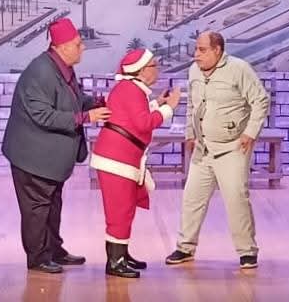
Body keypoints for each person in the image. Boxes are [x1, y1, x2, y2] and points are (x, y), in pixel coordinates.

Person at [2, 17, 112, 274]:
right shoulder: (40, 72)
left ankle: (53, 249)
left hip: (49, 159)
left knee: (52, 205)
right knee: (37, 209)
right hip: (32, 157)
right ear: (61, 46)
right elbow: (43, 115)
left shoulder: (63, 67)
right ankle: (38, 257)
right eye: (78, 44)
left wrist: (94, 103)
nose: (83, 48)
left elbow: (72, 98)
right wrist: (85, 117)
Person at [164, 31, 270, 270]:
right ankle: (185, 247)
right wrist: (190, 133)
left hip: (232, 147)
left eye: (202, 50)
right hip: (203, 149)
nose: (196, 55)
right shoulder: (194, 71)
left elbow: (260, 100)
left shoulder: (239, 69)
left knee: (236, 200)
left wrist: (250, 132)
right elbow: (192, 104)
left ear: (217, 50)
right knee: (192, 199)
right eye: (196, 49)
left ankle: (247, 251)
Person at [90, 48, 182, 278]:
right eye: (154, 66)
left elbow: (133, 116)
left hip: (120, 158)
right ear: (141, 71)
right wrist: (168, 108)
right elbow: (143, 123)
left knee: (124, 209)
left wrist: (156, 103)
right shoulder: (131, 90)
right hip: (116, 159)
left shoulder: (131, 89)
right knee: (119, 210)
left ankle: (121, 253)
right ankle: (115, 261)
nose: (157, 69)